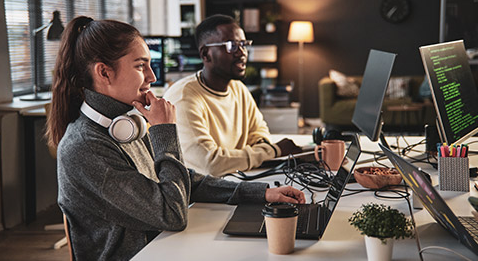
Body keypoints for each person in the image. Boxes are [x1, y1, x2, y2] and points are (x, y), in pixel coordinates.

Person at [46, 16, 306, 261]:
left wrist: (263, 193)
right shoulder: (86, 147)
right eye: (140, 66)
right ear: (104, 73)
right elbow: (172, 214)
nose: (152, 77)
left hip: (162, 247)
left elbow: (188, 181)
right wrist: (163, 130)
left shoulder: (123, 123)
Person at [163, 14, 302, 177]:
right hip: (197, 195)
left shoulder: (239, 89)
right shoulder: (184, 97)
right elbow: (210, 165)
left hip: (237, 178)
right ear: (205, 54)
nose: (242, 52)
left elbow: (259, 134)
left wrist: (237, 158)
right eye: (232, 46)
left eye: (244, 44)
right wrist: (274, 150)